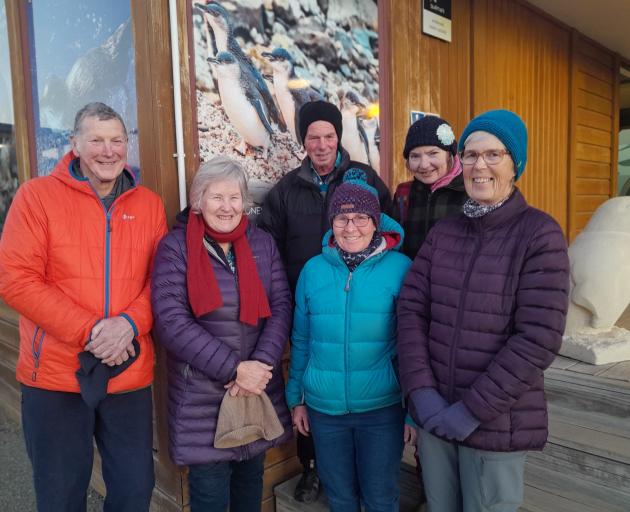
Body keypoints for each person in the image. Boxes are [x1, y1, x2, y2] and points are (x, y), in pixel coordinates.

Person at [397, 109, 570, 512]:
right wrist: (421, 392)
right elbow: (411, 311)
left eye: (494, 155)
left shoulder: (538, 234)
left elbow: (538, 339)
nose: (480, 166)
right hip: (436, 415)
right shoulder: (445, 232)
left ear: (516, 164)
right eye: (471, 155)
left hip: (496, 423)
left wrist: (472, 410)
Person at [0, 102, 167, 512]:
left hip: (127, 370)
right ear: (75, 144)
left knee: (134, 491)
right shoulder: (36, 197)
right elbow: (16, 279)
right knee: (60, 497)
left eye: (116, 140)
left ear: (128, 146)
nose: (108, 151)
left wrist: (129, 323)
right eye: (96, 140)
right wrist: (93, 331)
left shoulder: (149, 204)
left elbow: (161, 283)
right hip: (56, 374)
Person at [258, 99, 392, 502]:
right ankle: (313, 470)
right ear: (303, 141)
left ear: (338, 137)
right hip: (310, 300)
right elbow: (266, 244)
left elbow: (387, 222)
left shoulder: (362, 177)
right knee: (315, 392)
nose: (321, 144)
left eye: (329, 136)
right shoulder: (286, 189)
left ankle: (364, 471)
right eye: (313, 137)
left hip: (363, 297)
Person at [151, 156, 293, 512]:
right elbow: (171, 322)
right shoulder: (176, 247)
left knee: (249, 490)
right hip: (203, 398)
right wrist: (236, 370)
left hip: (256, 391)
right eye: (217, 197)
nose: (227, 207)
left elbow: (280, 306)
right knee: (210, 498)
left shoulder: (261, 244)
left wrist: (259, 365)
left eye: (235, 198)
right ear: (198, 200)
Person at [285, 170, 416, 512]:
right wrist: (296, 397)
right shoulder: (313, 270)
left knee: (380, 497)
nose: (351, 226)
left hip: (381, 408)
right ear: (332, 222)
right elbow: (300, 338)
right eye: (342, 218)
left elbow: (413, 346)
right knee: (339, 497)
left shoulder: (401, 269)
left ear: (376, 221)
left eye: (360, 217)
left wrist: (413, 411)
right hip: (324, 408)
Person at [393, 115, 468, 259]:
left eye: (433, 153)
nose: (424, 165)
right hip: (412, 278)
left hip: (455, 280)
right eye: (415, 156)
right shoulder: (404, 193)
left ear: (450, 154)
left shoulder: (471, 190)